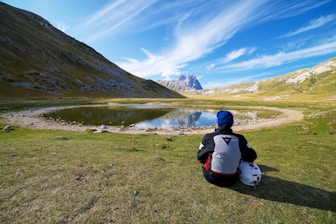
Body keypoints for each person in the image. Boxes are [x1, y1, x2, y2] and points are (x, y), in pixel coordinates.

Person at [197, 110, 257, 187]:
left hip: (211, 177)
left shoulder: (209, 137)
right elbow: (253, 156)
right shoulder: (240, 139)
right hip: (232, 178)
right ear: (231, 123)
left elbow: (200, 158)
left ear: (218, 123)